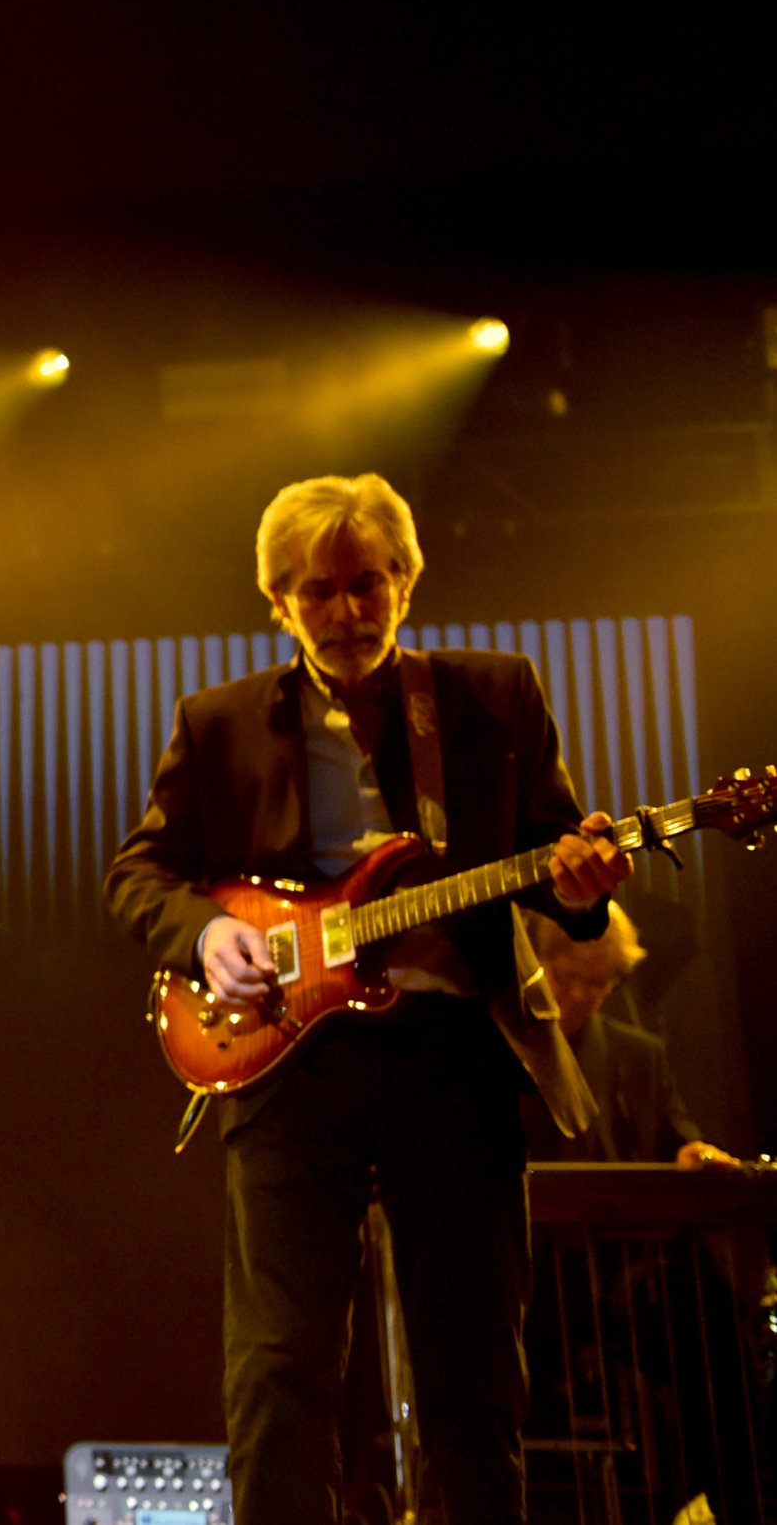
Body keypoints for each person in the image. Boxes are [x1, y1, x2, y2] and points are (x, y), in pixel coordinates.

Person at [103, 473, 632, 1524]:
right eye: (317, 591)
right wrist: (209, 933)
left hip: (454, 1057)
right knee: (279, 1365)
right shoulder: (214, 723)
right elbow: (136, 874)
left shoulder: (492, 695)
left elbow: (557, 865)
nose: (345, 610)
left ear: (405, 581)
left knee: (474, 1371)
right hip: (289, 1069)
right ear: (276, 601)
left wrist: (579, 888)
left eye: (365, 584)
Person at [520, 903, 739, 1168]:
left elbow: (679, 1140)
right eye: (568, 976)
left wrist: (697, 1154)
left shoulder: (642, 1056)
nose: (579, 995)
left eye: (597, 982)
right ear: (541, 963)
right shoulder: (495, 1046)